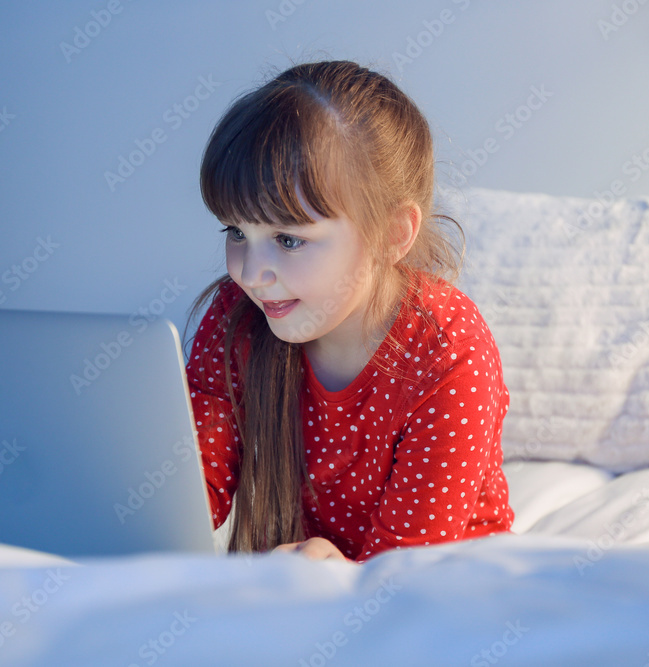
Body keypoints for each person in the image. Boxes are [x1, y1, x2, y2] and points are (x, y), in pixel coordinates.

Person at [183, 60, 514, 563]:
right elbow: (189, 490)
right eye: (236, 233)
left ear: (391, 234)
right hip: (310, 590)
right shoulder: (238, 314)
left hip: (448, 601)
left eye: (288, 238)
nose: (250, 274)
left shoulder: (449, 354)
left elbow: (404, 576)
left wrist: (340, 579)